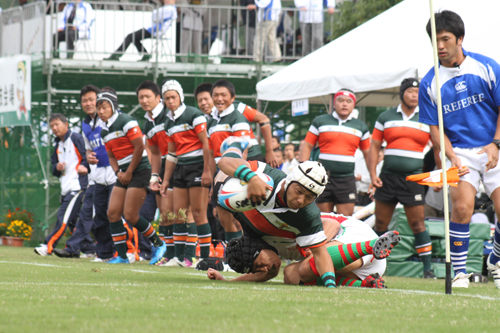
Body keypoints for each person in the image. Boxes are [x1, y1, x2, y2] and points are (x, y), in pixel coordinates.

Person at [419, 10, 500, 288]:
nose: (440, 46)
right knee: (462, 207)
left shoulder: (488, 67)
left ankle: (495, 260)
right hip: (460, 151)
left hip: (493, 146)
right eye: (435, 40)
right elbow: (434, 128)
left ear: (460, 38)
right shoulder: (430, 81)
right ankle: (459, 272)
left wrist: (496, 143)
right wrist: (450, 156)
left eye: (445, 39)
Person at [211, 138, 337, 287]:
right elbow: (224, 162)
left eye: (309, 197)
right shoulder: (268, 176)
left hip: (272, 236)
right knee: (222, 182)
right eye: (298, 191)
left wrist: (330, 286)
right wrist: (251, 177)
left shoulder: (309, 215)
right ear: (289, 180)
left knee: (278, 269)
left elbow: (321, 253)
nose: (300, 201)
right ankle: (236, 144)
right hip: (254, 220)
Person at [368, 78, 435, 279]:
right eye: (411, 91)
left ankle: (427, 270)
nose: (415, 95)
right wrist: (372, 174)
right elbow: (374, 146)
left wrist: (437, 176)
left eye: (417, 91)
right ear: (402, 93)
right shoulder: (385, 116)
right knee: (380, 225)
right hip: (387, 178)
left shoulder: (427, 116)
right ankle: (374, 268)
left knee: (418, 225)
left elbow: (438, 148)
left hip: (413, 181)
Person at [98, 91, 166, 264]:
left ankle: (159, 244)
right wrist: (118, 172)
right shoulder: (104, 130)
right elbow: (111, 155)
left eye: (104, 107)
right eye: (98, 108)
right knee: (112, 213)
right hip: (123, 172)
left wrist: (128, 172)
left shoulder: (126, 121)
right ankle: (122, 256)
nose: (100, 111)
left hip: (140, 170)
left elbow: (138, 148)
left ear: (113, 106)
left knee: (130, 215)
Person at [54, 85, 114, 260]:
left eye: (91, 99)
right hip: (95, 178)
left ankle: (135, 249)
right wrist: (88, 160)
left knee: (113, 215)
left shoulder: (111, 120)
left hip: (114, 175)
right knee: (87, 213)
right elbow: (88, 150)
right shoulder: (86, 124)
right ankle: (75, 248)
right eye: (84, 101)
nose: (88, 103)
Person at [158, 80, 212, 267]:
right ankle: (179, 258)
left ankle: (204, 257)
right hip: (181, 168)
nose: (170, 101)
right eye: (167, 98)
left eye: (173, 97)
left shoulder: (194, 115)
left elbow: (206, 144)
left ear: (180, 97)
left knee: (198, 213)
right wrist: (165, 180)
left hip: (197, 166)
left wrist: (207, 171)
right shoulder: (167, 121)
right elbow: (172, 154)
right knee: (178, 213)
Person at [300, 89, 370, 216]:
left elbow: (368, 154)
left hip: (347, 179)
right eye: (341, 100)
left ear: (353, 105)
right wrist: (303, 170)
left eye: (348, 101)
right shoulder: (320, 121)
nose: (344, 104)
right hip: (322, 178)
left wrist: (373, 177)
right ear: (334, 103)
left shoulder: (360, 126)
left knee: (345, 222)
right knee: (323, 220)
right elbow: (307, 145)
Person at [34, 113, 89, 256]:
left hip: (77, 186)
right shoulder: (57, 144)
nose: (54, 128)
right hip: (65, 187)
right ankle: (90, 249)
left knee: (63, 216)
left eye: (57, 124)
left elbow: (87, 157)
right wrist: (56, 167)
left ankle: (48, 245)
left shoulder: (76, 138)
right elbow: (54, 168)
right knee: (73, 222)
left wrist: (85, 166)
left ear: (66, 124)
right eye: (52, 126)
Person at [135, 80, 176, 264]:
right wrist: (155, 174)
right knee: (165, 213)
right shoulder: (147, 121)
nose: (144, 100)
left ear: (158, 98)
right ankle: (167, 252)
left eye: (148, 97)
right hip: (161, 169)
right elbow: (152, 150)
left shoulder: (170, 114)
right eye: (141, 97)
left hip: (179, 165)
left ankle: (183, 253)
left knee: (183, 213)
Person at [194, 82, 278, 167]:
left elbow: (264, 119)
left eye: (206, 99)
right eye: (199, 100)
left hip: (248, 157)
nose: (203, 103)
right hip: (226, 161)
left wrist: (269, 151)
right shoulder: (208, 118)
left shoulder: (237, 108)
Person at [105, 0, 177, 61]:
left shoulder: (169, 9)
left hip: (153, 30)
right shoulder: (169, 9)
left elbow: (155, 16)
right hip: (153, 29)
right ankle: (145, 55)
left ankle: (116, 55)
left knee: (130, 36)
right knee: (133, 37)